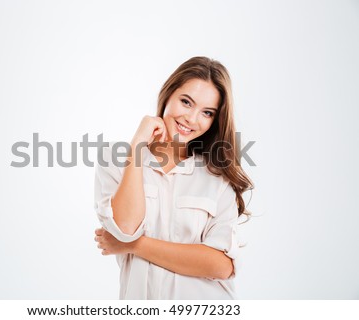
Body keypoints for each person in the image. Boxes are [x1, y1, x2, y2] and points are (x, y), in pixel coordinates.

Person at [93, 56, 254, 299]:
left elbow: (220, 265)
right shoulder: (115, 159)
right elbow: (125, 228)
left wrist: (133, 245)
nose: (191, 119)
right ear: (168, 94)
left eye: (207, 112)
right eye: (186, 102)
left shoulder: (217, 176)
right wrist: (137, 146)